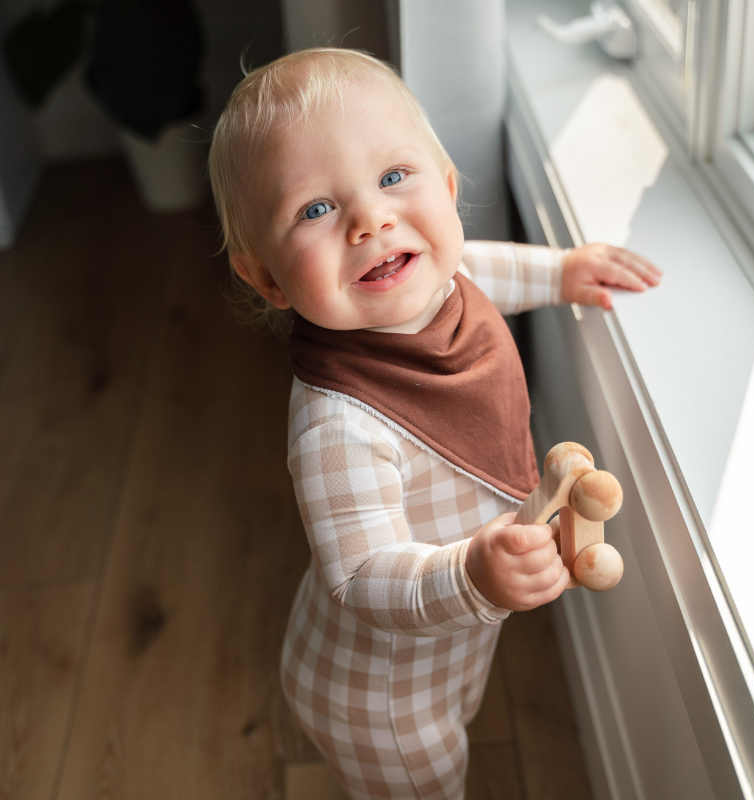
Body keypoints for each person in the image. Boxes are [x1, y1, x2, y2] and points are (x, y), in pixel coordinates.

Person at [209, 48, 660, 800]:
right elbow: (357, 575)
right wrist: (472, 574)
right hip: (378, 695)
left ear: (447, 191)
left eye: (393, 178)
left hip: (443, 650)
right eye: (316, 209)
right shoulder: (337, 424)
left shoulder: (438, 279)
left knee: (461, 714)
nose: (371, 219)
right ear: (266, 277)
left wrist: (559, 272)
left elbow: (480, 266)